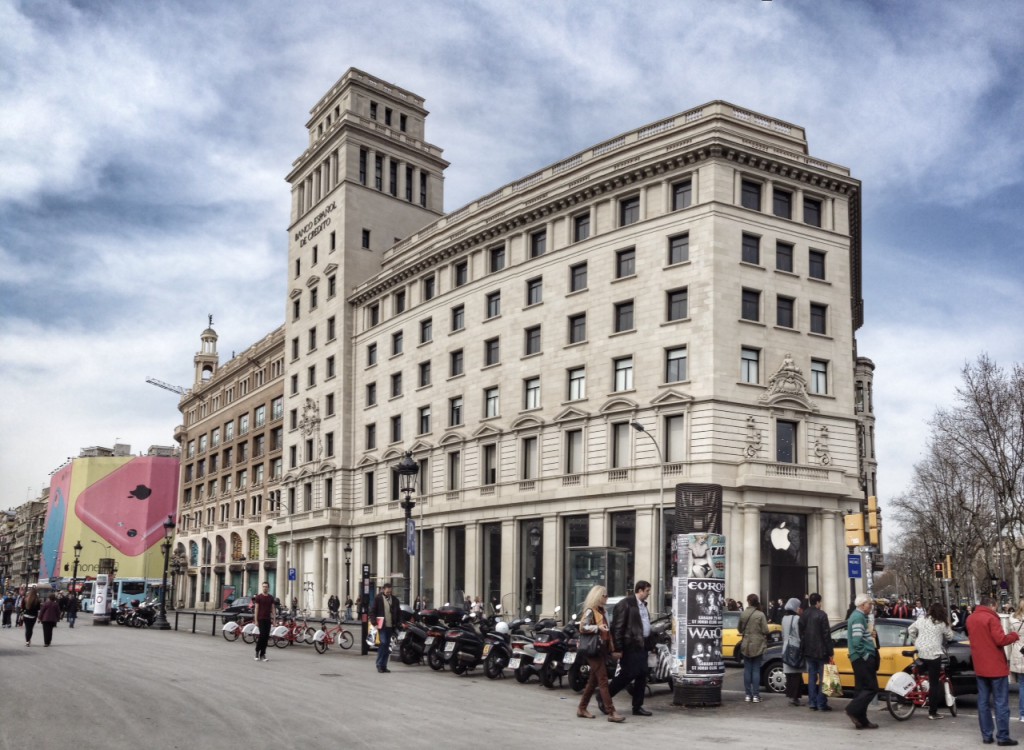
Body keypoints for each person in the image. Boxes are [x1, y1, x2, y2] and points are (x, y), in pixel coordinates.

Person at [969, 595, 1020, 746]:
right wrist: (1014, 636)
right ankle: (1003, 736)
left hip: (980, 666)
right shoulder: (992, 618)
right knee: (1001, 703)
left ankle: (987, 735)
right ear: (992, 605)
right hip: (996, 666)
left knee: (983, 702)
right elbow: (1000, 640)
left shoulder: (971, 618)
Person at [603, 580, 654, 716]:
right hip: (630, 646)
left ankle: (637, 706)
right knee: (627, 675)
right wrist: (618, 649)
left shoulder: (643, 605)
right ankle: (604, 697)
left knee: (642, 675)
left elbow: (644, 624)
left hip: (642, 645)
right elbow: (617, 628)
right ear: (640, 590)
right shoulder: (626, 604)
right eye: (647, 591)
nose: (649, 593)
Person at [576, 585, 625, 723]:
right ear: (598, 597)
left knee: (593, 681)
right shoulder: (590, 611)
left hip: (601, 649)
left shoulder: (603, 612)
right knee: (603, 680)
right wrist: (597, 627)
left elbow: (608, 633)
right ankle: (611, 711)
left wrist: (612, 650)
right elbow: (582, 627)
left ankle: (582, 708)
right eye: (605, 596)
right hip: (593, 650)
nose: (607, 598)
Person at [908, 602, 956, 719]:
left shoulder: (922, 620)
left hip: (921, 651)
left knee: (919, 671)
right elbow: (950, 637)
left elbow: (910, 629)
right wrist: (949, 626)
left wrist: (915, 641)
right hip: (934, 654)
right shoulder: (942, 623)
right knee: (934, 683)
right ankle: (932, 712)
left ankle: (914, 681)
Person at [845, 593, 880, 730]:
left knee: (861, 690)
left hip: (857, 657)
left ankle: (861, 719)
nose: (870, 606)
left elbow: (859, 637)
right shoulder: (858, 617)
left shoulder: (859, 617)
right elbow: (856, 641)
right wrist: (866, 656)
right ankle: (852, 709)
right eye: (869, 604)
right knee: (872, 688)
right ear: (862, 605)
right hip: (862, 658)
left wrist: (869, 634)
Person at [800, 592, 834, 712]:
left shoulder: (804, 615)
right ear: (818, 602)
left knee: (812, 677)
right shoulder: (822, 615)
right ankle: (821, 703)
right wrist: (830, 651)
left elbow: (801, 633)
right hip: (821, 652)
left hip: (809, 651)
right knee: (824, 678)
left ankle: (812, 702)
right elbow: (826, 635)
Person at [738, 593, 769, 703]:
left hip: (746, 644)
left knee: (747, 670)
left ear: (748, 601)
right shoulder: (760, 614)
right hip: (758, 645)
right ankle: (756, 695)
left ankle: (747, 695)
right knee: (756, 670)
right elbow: (766, 630)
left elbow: (740, 629)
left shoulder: (743, 614)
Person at [372, 582, 401, 673]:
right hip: (382, 626)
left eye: (390, 592)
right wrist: (374, 623)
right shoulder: (378, 599)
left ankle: (384, 665)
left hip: (391, 625)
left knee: (387, 645)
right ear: (383, 590)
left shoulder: (395, 600)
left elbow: (399, 612)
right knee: (383, 643)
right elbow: (372, 612)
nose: (389, 593)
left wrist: (400, 622)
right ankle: (379, 664)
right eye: (387, 592)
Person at [781, 597, 804, 706]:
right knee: (796, 674)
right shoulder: (797, 619)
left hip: (786, 648)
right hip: (794, 648)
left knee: (789, 675)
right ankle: (795, 697)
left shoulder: (784, 618)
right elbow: (799, 634)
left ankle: (790, 695)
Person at [252, 581, 276, 662]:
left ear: (268, 588)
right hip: (260, 619)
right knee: (262, 636)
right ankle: (257, 651)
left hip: (268, 619)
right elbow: (256, 609)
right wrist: (256, 620)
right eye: (263, 586)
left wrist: (274, 619)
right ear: (262, 587)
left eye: (266, 586)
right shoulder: (259, 597)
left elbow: (273, 609)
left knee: (266, 637)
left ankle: (263, 654)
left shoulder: (271, 597)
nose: (265, 588)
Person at [1009, 599, 1024, 723]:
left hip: (1019, 653)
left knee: (1022, 686)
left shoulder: (1013, 620)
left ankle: (1023, 714)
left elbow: (1010, 635)